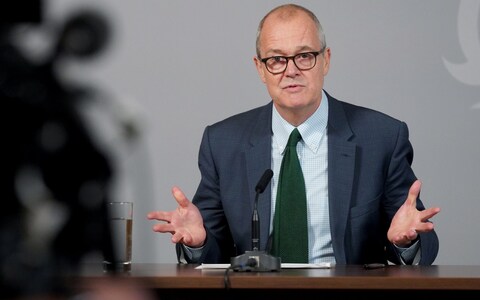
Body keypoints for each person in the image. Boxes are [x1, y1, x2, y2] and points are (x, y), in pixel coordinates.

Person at [147, 3, 440, 265]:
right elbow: (211, 250)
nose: (291, 70)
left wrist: (408, 242)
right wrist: (199, 243)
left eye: (304, 56)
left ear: (326, 59)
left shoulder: (382, 137)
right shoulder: (222, 143)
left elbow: (420, 237)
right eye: (276, 59)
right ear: (260, 69)